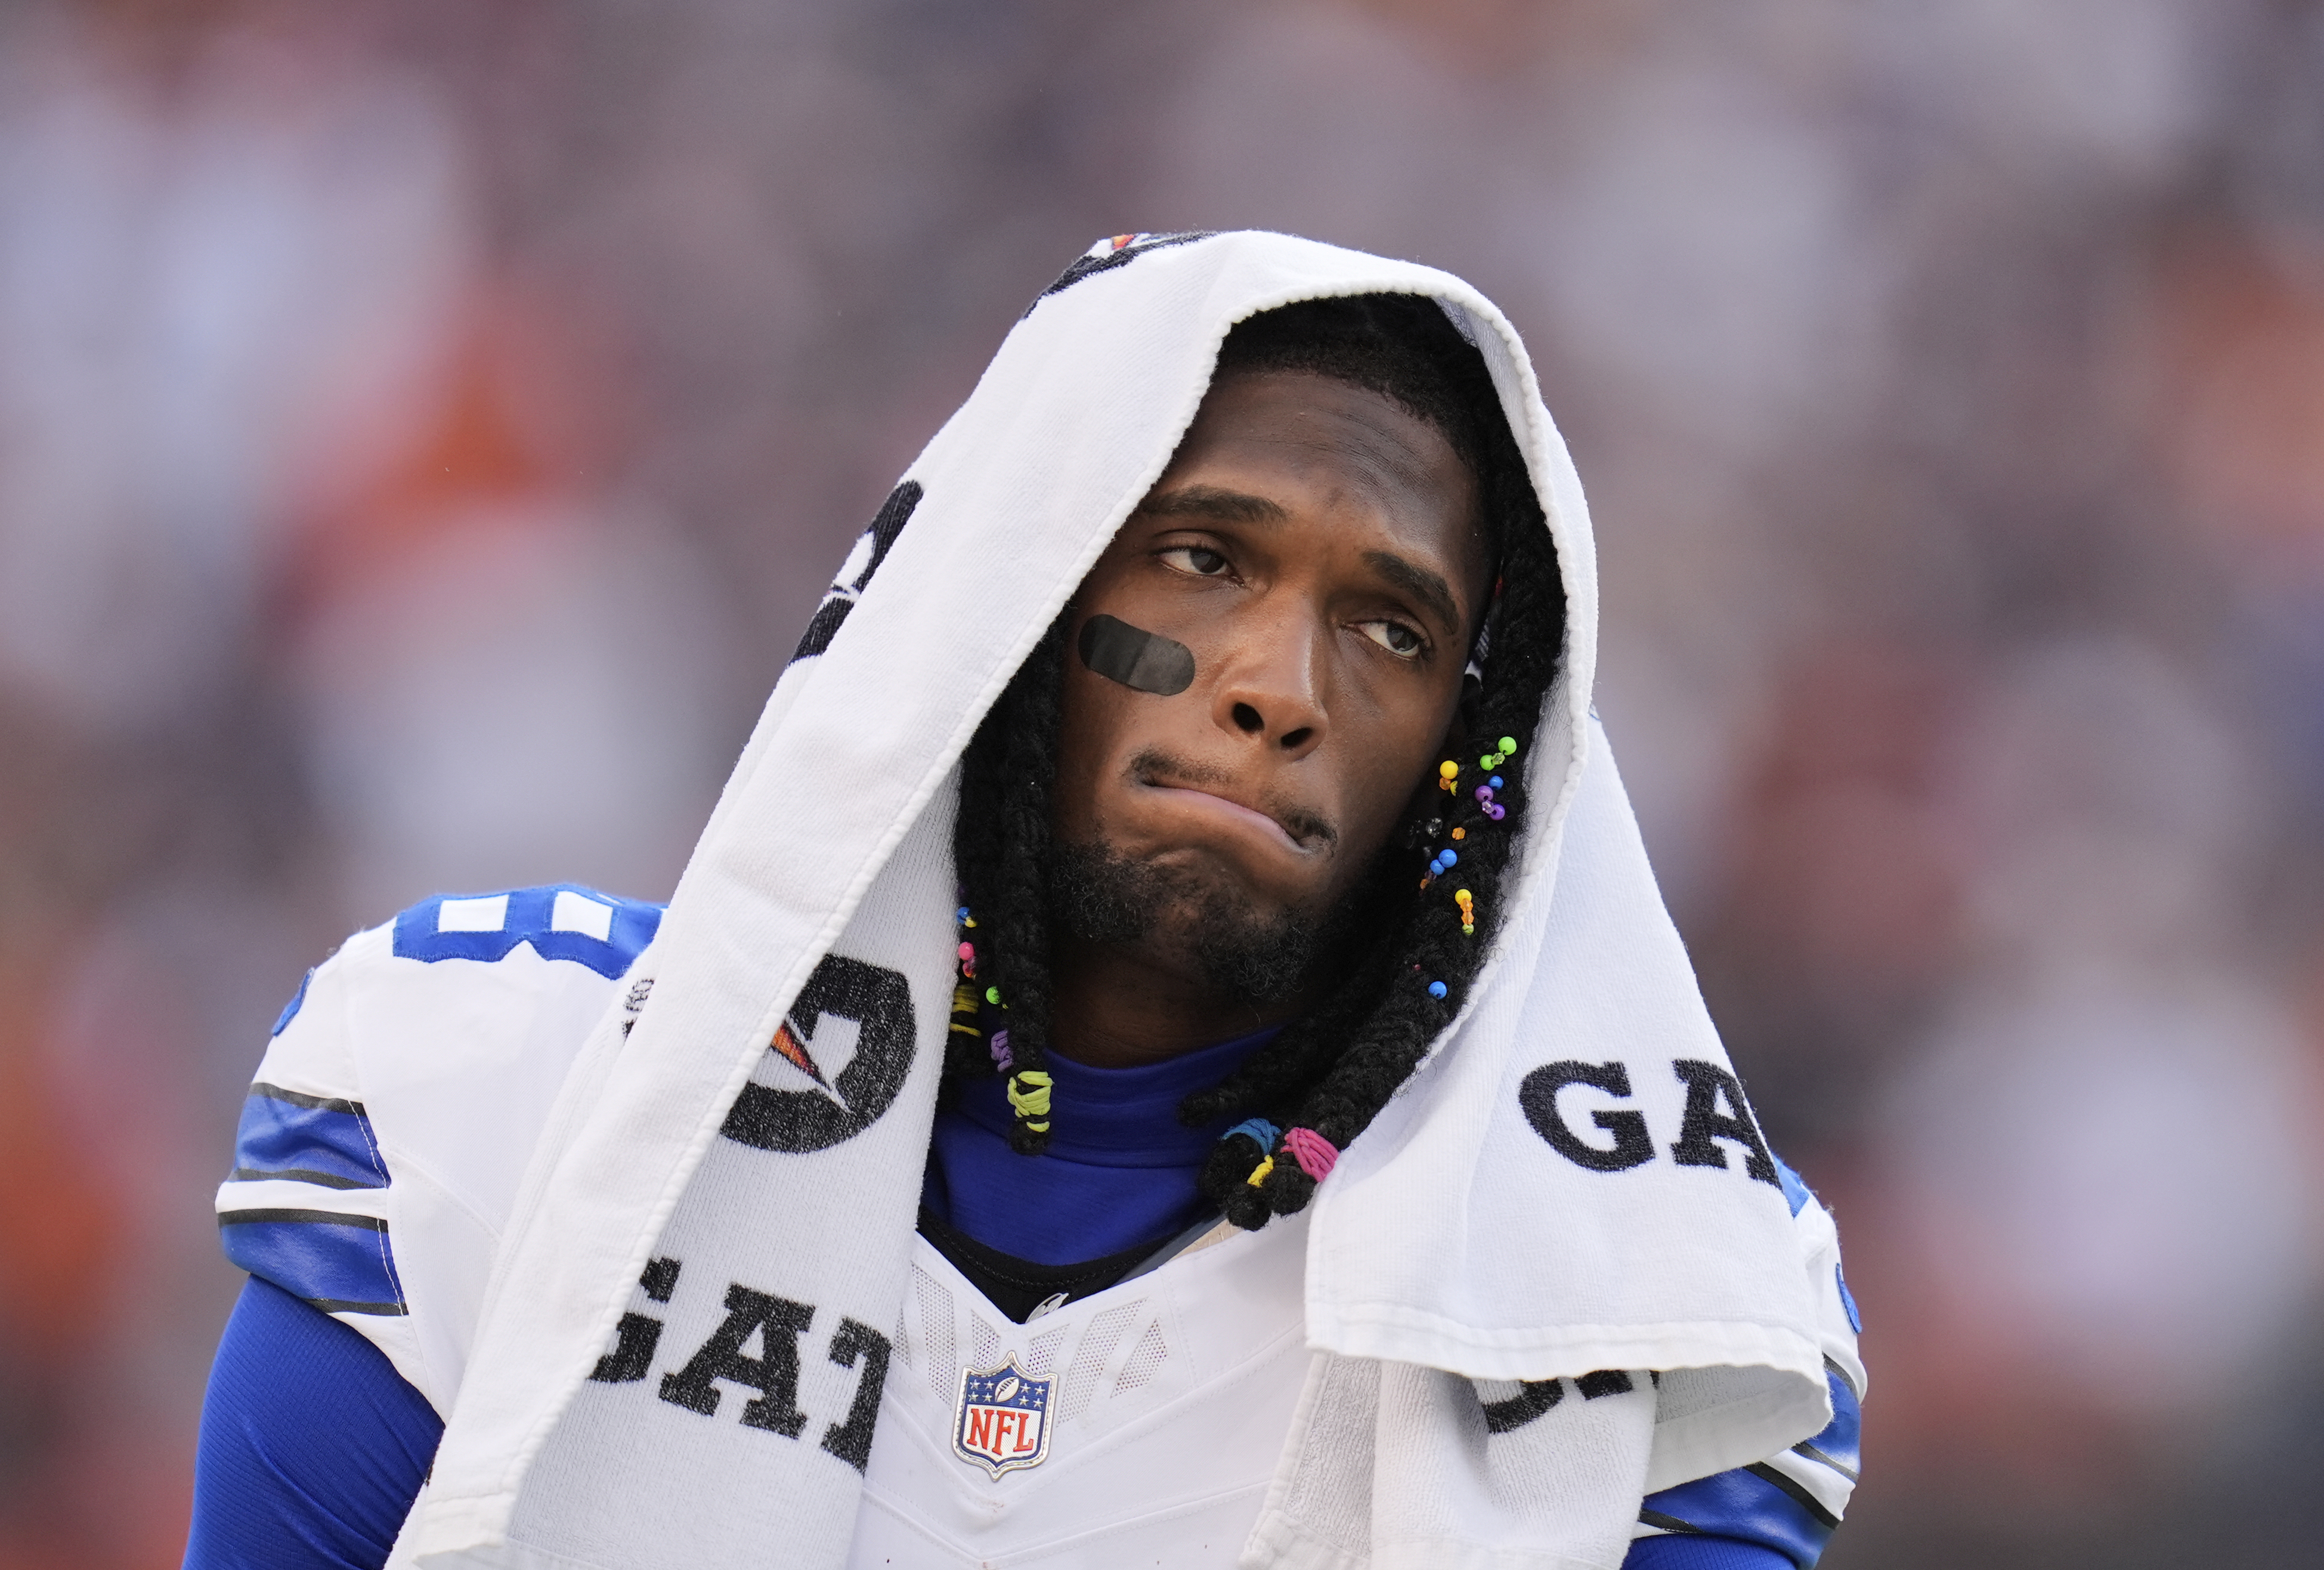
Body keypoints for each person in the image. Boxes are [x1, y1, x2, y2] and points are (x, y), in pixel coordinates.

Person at [186, 232, 1862, 1570]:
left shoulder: (1630, 1276)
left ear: (1472, 746)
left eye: (1392, 630)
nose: (1279, 687)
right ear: (1009, 592)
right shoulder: (500, 1089)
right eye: (1205, 557)